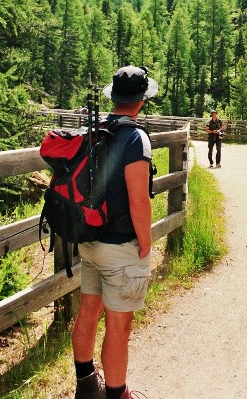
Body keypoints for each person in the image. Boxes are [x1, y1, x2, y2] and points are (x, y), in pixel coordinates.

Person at [72, 65, 158, 399]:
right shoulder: (136, 138)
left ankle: (85, 385)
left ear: (115, 97)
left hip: (90, 241)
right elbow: (139, 200)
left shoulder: (96, 130)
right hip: (120, 246)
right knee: (119, 326)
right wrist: (146, 243)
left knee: (88, 311)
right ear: (140, 101)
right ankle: (117, 394)